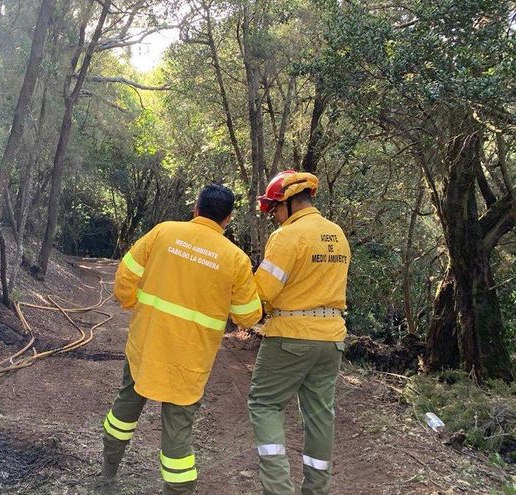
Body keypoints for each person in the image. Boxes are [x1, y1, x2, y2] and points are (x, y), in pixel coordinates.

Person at [101, 184, 263, 495]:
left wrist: (132, 303)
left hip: (146, 345)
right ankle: (178, 490)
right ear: (228, 219)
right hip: (190, 359)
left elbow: (125, 276)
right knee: (177, 431)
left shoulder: (164, 232)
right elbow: (248, 316)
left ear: (196, 209)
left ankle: (108, 474)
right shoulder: (236, 259)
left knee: (125, 409)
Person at [248, 170, 351, 495]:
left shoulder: (287, 236)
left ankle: (278, 489)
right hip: (331, 339)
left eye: (276, 209)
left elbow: (263, 290)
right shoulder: (337, 234)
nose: (275, 217)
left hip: (291, 335)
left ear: (290, 202)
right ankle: (315, 489)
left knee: (265, 404)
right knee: (320, 414)